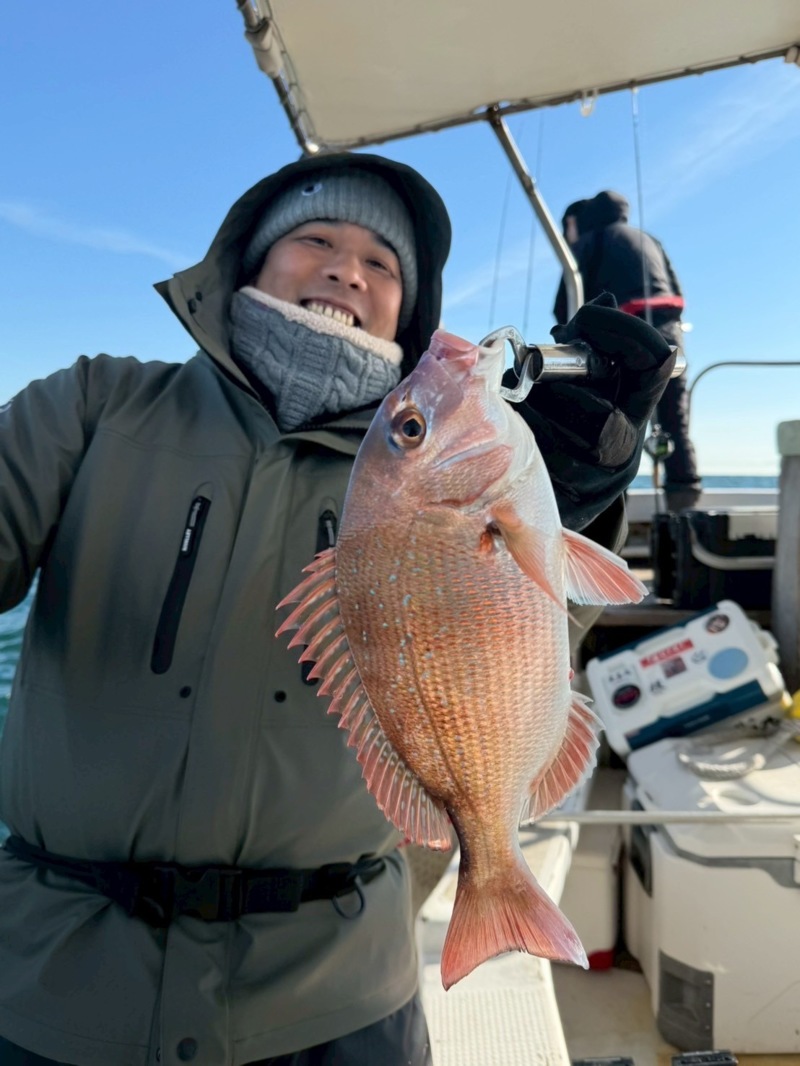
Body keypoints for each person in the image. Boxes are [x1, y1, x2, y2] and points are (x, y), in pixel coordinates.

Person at [0, 152, 676, 1066]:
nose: (346, 269)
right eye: (314, 238)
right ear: (246, 261)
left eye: (382, 264)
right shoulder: (94, 404)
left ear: (409, 305)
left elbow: (523, 655)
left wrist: (574, 498)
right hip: (55, 987)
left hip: (339, 999)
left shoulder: (436, 463)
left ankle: (496, 876)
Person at [554, 189, 702, 512]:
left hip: (626, 343)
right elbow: (676, 289)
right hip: (672, 338)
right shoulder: (650, 239)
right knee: (675, 425)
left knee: (612, 430)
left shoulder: (592, 240)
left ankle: (608, 512)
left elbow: (566, 304)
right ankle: (686, 515)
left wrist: (565, 339)